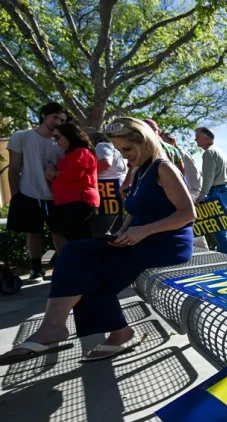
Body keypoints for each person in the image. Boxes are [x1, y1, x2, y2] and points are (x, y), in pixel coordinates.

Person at [0, 117, 196, 364]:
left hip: (166, 244)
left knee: (90, 270)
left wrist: (142, 231)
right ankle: (56, 326)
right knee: (73, 251)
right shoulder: (140, 170)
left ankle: (113, 332)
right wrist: (121, 231)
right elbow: (135, 212)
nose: (124, 156)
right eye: (120, 150)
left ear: (145, 142)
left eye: (128, 149)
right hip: (139, 239)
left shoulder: (163, 167)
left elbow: (188, 214)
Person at [6, 102, 68, 281]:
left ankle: (64, 267)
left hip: (57, 194)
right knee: (33, 232)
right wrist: (15, 195)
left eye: (62, 120)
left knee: (60, 232)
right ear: (43, 115)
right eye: (55, 117)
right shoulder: (21, 136)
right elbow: (14, 168)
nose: (57, 122)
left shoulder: (63, 142)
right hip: (28, 192)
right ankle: (36, 269)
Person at [45, 123, 100, 242]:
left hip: (78, 202)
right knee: (72, 237)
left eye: (58, 137)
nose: (56, 141)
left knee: (79, 239)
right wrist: (52, 175)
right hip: (68, 202)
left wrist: (55, 174)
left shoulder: (81, 151)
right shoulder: (70, 154)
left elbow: (73, 175)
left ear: (69, 135)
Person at [195, 126, 227, 255]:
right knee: (222, 223)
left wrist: (201, 196)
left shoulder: (208, 153)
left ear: (206, 138)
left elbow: (208, 178)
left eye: (197, 136)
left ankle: (225, 254)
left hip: (217, 191)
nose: (195, 139)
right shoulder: (219, 151)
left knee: (217, 225)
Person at [161, 131, 208, 249]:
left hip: (190, 193)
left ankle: (202, 253)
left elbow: (193, 178)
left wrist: (192, 196)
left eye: (163, 141)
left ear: (173, 141)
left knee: (195, 230)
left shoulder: (180, 154)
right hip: (187, 194)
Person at [89, 132, 128, 235]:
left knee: (102, 230)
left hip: (108, 190)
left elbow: (105, 163)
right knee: (117, 228)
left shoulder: (102, 146)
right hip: (117, 190)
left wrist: (85, 174)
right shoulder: (117, 150)